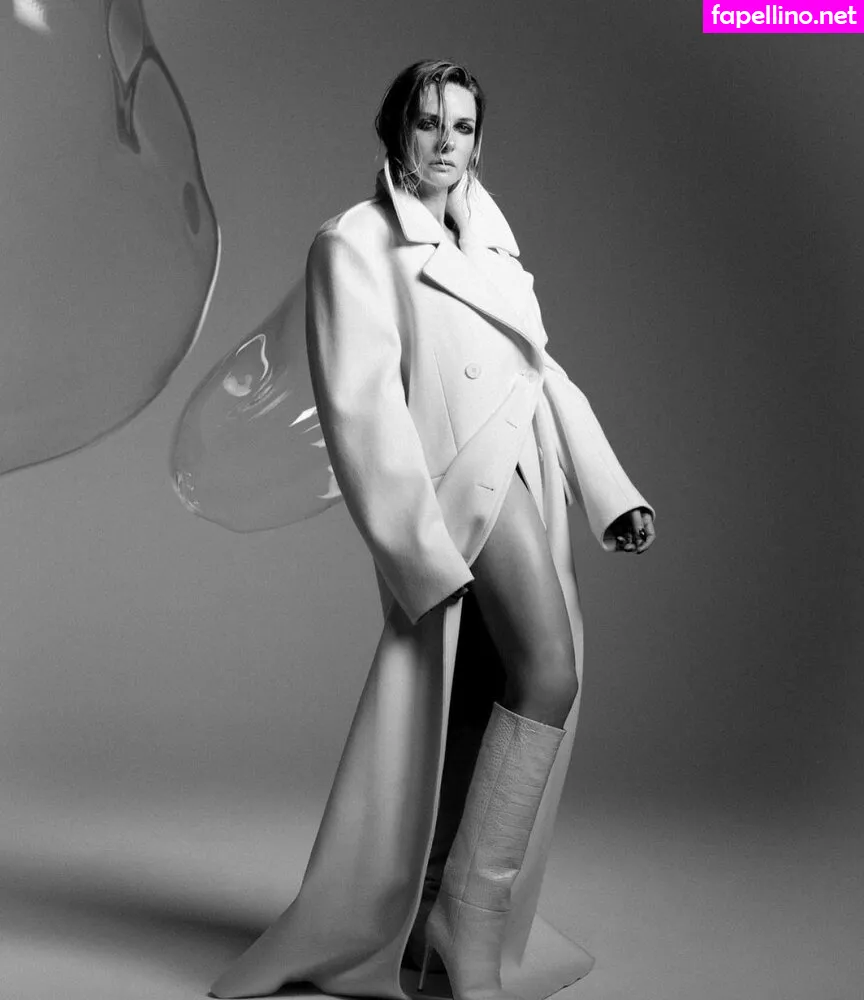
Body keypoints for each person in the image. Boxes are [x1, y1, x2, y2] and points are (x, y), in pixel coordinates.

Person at [211, 59, 655, 1000]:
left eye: (462, 125)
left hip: (527, 472)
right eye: (427, 122)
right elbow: (360, 412)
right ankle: (469, 918)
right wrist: (417, 552)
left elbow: (542, 371)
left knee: (480, 701)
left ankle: (426, 914)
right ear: (395, 132)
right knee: (550, 671)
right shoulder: (354, 244)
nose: (445, 142)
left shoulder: (492, 240)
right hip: (460, 490)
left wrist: (610, 490)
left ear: (479, 140)